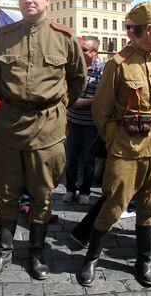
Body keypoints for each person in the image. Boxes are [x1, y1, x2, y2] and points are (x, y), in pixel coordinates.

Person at [0, 0, 86, 281]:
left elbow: (77, 80)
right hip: (11, 126)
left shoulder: (65, 37)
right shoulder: (3, 36)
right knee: (7, 192)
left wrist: (53, 105)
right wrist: (19, 103)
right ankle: (4, 252)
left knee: (42, 195)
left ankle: (37, 254)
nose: (28, 0)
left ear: (46, 0)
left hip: (48, 127)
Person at [77, 2, 151, 288]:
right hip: (126, 149)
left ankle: (145, 260)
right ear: (149, 29)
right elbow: (101, 111)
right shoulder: (118, 64)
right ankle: (91, 256)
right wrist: (116, 140)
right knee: (114, 204)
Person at [63, 36, 104, 205]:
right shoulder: (73, 67)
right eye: (80, 49)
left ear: (95, 52)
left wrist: (84, 102)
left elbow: (103, 96)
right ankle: (70, 189)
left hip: (90, 122)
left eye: (85, 50)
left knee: (88, 158)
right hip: (72, 120)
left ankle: (85, 191)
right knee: (70, 158)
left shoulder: (102, 70)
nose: (80, 52)